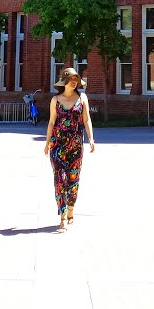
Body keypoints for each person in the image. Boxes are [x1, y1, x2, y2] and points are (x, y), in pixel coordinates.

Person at [44, 67, 95, 231]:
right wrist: (46, 143)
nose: (75, 82)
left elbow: (86, 120)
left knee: (73, 180)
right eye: (72, 79)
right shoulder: (55, 100)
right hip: (57, 146)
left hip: (76, 146)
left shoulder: (82, 98)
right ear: (64, 81)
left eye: (76, 80)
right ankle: (62, 217)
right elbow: (52, 122)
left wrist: (91, 139)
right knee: (60, 180)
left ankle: (71, 208)